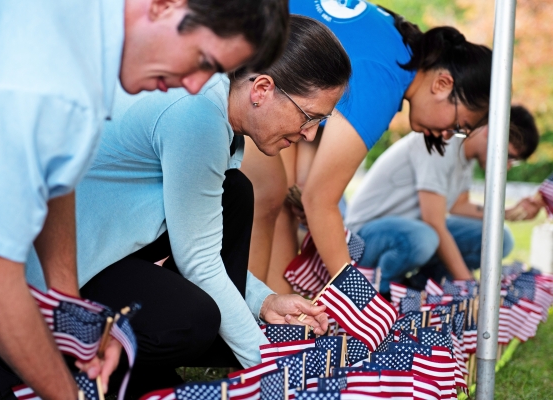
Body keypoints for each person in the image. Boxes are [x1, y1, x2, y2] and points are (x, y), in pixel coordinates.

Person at [0, 0, 289, 398]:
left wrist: (72, 309)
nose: (197, 85)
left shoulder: (91, 49)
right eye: (201, 58)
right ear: (166, 6)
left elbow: (61, 180)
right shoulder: (37, 66)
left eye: (213, 71)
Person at [20, 14, 350, 398]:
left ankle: (138, 358)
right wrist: (272, 372)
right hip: (53, 272)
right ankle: (72, 362)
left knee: (235, 193)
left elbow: (201, 243)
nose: (309, 133)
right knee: (194, 320)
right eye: (309, 116)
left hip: (96, 253)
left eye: (320, 123)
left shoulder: (216, 107)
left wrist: (266, 302)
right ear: (261, 89)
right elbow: (199, 261)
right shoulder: (199, 116)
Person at [240, 0, 495, 294]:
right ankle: (246, 326)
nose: (448, 135)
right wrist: (357, 298)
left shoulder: (398, 51)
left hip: (257, 54)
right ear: (442, 84)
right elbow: (320, 201)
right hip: (237, 40)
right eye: (459, 124)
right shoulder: (385, 79)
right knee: (265, 194)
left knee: (281, 197)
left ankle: (275, 321)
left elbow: (304, 185)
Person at [343, 105, 539, 293]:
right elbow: (434, 222)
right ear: (490, 131)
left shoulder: (466, 155)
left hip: (411, 231)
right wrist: (470, 286)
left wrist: (508, 213)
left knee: (499, 238)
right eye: (509, 156)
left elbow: (458, 205)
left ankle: (420, 286)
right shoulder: (441, 142)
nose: (508, 166)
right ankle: (381, 292)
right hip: (365, 235)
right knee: (425, 237)